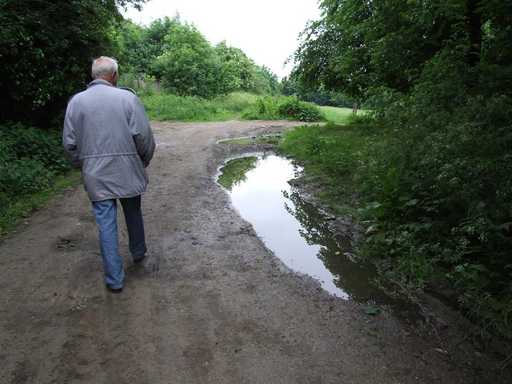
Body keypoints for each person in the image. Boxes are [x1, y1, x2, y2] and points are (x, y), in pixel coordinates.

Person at [63, 56, 156, 293]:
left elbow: (70, 143)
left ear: (94, 75)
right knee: (133, 212)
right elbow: (143, 137)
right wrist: (141, 161)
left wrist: (83, 166)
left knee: (106, 223)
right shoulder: (128, 98)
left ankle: (115, 280)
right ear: (114, 75)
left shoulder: (76, 102)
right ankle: (138, 253)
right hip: (127, 170)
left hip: (95, 174)